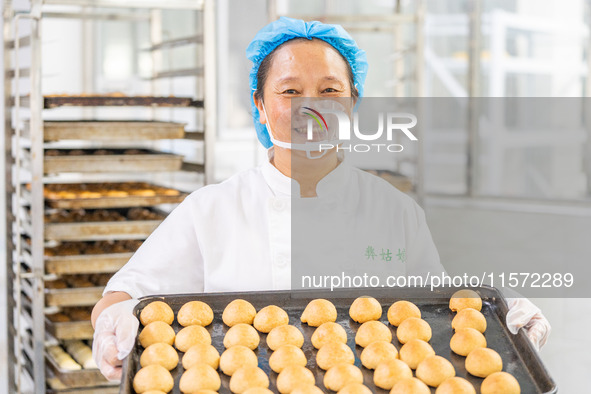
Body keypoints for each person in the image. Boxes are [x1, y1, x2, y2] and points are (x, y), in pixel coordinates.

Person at [91, 17, 550, 381]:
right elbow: (120, 296)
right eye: (290, 91)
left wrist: (503, 325)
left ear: (352, 103)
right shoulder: (210, 211)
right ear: (259, 104)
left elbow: (440, 313)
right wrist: (112, 329)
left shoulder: (395, 211)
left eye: (330, 90)